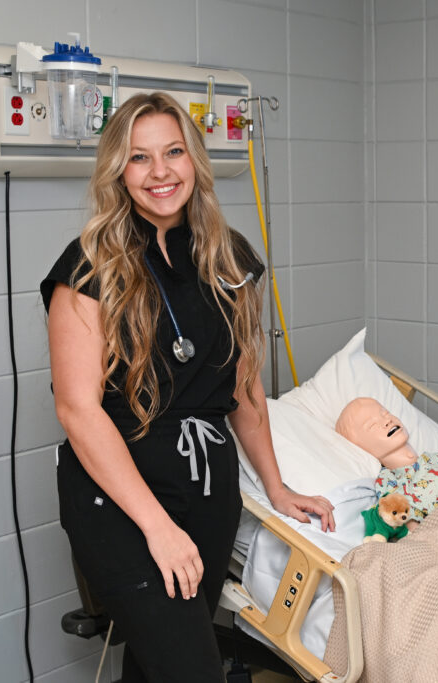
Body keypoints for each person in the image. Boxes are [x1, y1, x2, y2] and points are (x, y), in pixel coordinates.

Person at [41, 92, 334, 682]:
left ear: (194, 159)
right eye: (139, 158)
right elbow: (77, 411)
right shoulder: (88, 267)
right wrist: (157, 527)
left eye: (173, 152)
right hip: (122, 504)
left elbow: (245, 390)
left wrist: (276, 488)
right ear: (117, 171)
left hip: (206, 494)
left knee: (156, 668)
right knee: (191, 670)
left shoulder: (230, 258)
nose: (160, 172)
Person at [335, 397, 438, 523]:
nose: (387, 421)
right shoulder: (389, 483)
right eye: (372, 425)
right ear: (360, 447)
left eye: (385, 414)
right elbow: (409, 525)